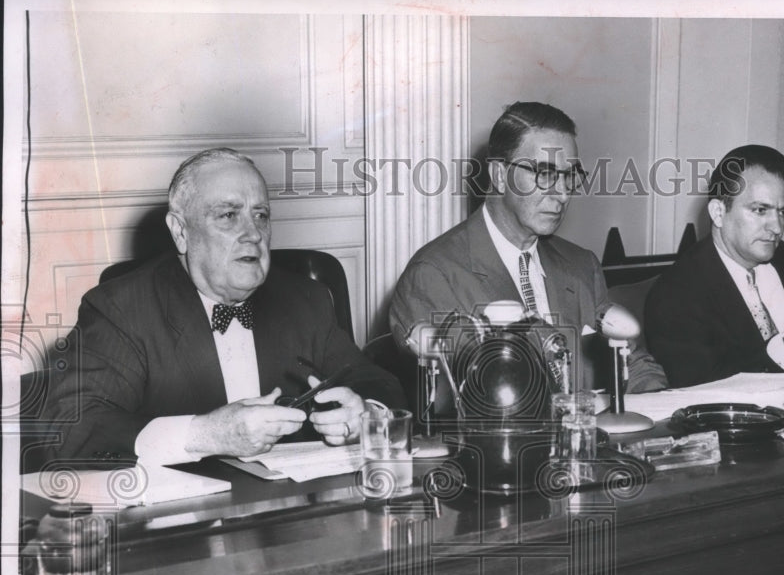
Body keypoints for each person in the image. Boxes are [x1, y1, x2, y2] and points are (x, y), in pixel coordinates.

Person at [43, 148, 406, 465]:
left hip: (293, 520)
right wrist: (205, 434)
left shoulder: (303, 299)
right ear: (181, 232)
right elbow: (73, 428)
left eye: (260, 215)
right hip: (178, 528)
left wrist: (365, 415)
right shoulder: (121, 308)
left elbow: (377, 382)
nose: (252, 233)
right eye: (228, 215)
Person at [389, 102, 667, 394]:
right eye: (544, 173)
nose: (561, 193)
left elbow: (633, 365)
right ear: (499, 175)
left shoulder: (581, 265)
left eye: (569, 175)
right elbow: (465, 399)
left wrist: (659, 404)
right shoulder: (435, 275)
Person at [644, 144, 784, 388]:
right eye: (760, 210)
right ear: (718, 212)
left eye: (783, 212)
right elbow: (703, 393)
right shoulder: (676, 293)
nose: (777, 227)